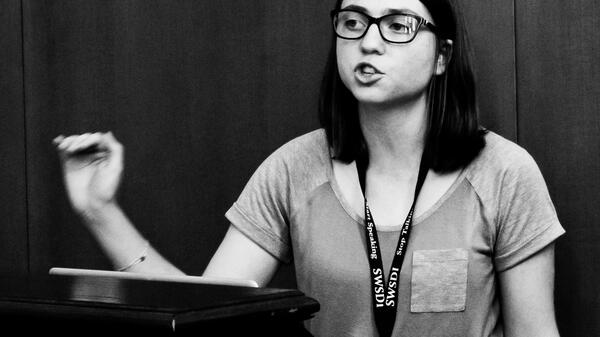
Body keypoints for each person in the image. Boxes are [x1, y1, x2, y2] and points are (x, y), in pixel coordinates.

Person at [53, 0, 565, 336]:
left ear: (441, 56)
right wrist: (101, 211)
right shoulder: (294, 168)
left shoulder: (504, 173)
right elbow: (203, 315)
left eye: (397, 25)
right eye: (353, 21)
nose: (369, 40)